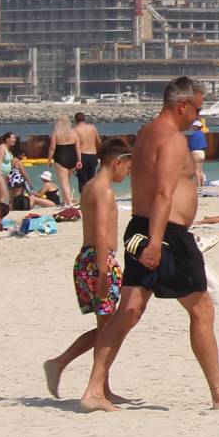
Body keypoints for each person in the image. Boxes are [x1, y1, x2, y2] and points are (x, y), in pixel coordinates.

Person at [78, 77, 219, 413]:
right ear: (182, 105)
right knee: (202, 308)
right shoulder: (173, 139)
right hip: (167, 234)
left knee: (128, 311)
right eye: (197, 109)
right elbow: (163, 192)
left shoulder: (146, 133)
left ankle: (94, 390)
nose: (198, 117)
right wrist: (157, 242)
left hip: (140, 226)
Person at [43, 140, 136, 401]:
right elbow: (101, 233)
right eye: (128, 167)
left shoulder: (89, 187)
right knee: (110, 330)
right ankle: (60, 363)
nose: (128, 173)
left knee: (106, 328)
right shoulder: (104, 191)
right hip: (99, 261)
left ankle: (102, 388)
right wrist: (104, 272)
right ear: (117, 162)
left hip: (87, 259)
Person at [48, 112, 80, 206]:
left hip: (61, 157)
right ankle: (66, 201)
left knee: (64, 182)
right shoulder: (74, 132)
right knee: (67, 181)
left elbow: (52, 148)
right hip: (73, 157)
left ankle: (69, 203)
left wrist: (49, 159)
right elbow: (78, 147)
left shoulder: (56, 132)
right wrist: (79, 160)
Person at [75, 111, 103, 191]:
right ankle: (92, 195)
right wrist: (98, 151)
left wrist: (78, 160)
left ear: (76, 120)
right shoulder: (92, 127)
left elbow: (77, 146)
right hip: (93, 155)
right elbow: (99, 141)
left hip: (82, 155)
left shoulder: (75, 130)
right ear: (84, 119)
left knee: (82, 180)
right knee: (92, 179)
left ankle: (84, 196)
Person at [185, 113, 208, 193]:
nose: (192, 127)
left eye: (193, 126)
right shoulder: (202, 134)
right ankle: (202, 185)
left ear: (196, 127)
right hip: (202, 152)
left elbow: (191, 145)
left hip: (196, 152)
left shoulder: (195, 134)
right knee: (201, 170)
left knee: (196, 170)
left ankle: (198, 186)